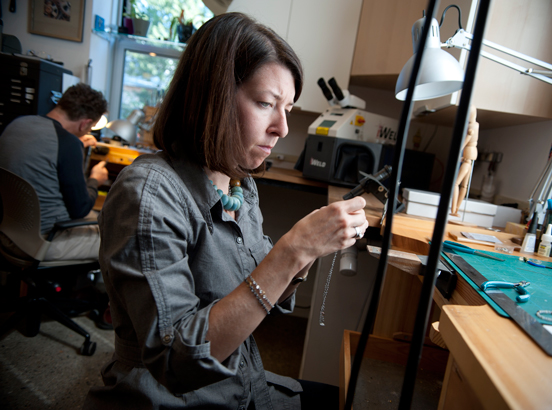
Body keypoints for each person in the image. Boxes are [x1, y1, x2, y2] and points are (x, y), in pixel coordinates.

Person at [84, 12, 369, 410]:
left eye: (287, 107)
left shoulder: (238, 183)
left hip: (242, 380)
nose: (283, 128)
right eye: (267, 104)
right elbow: (175, 362)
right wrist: (293, 250)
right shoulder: (148, 195)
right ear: (211, 97)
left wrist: (310, 251)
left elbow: (256, 293)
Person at [0, 83, 109, 261]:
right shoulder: (68, 144)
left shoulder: (17, 124)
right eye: (90, 128)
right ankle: (80, 288)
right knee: (119, 242)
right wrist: (95, 180)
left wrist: (75, 145)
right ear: (85, 124)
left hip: (8, 232)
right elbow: (80, 209)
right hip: (45, 240)